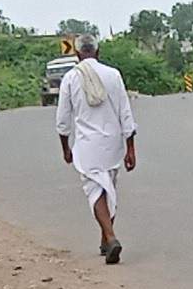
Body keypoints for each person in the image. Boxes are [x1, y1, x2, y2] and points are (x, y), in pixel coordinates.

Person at [55, 34, 137, 265]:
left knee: (95, 191)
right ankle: (105, 239)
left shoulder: (71, 78)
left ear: (76, 54)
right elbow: (125, 113)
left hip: (87, 145)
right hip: (112, 143)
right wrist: (130, 148)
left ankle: (110, 237)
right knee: (109, 187)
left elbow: (63, 120)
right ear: (98, 52)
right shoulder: (113, 75)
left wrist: (65, 148)